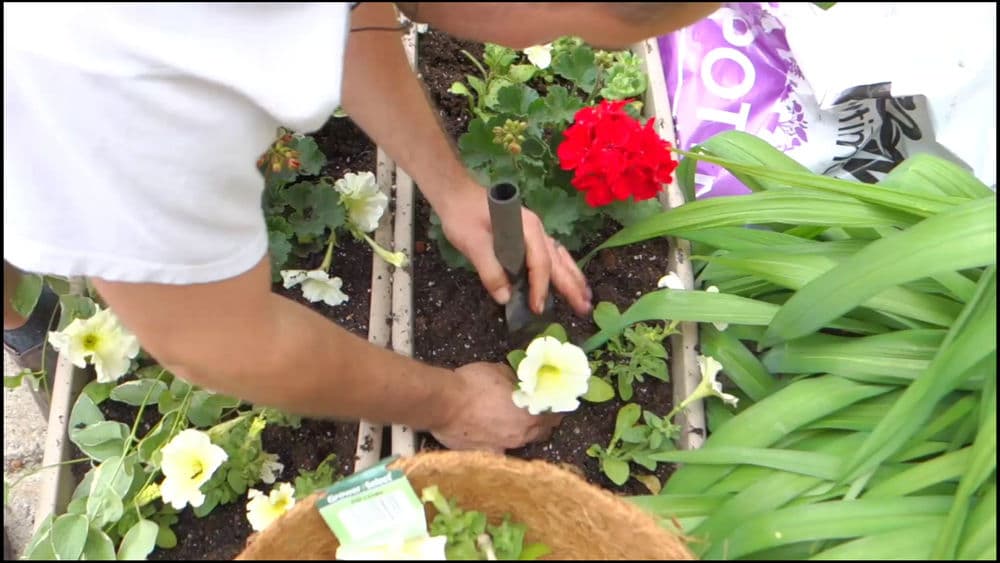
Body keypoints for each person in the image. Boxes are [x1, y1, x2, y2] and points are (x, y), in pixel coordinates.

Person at [3, 3, 717, 452]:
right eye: (566, 27)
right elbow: (215, 342)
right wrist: (450, 401)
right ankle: (18, 318)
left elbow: (346, 15)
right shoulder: (110, 69)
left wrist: (454, 190)